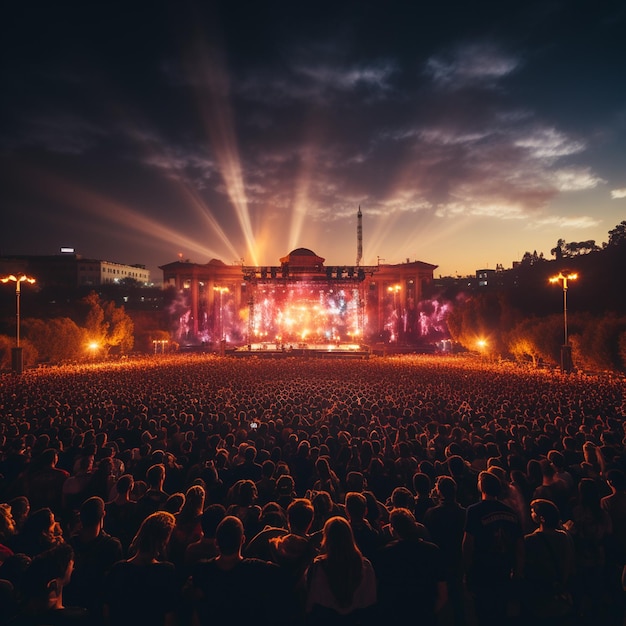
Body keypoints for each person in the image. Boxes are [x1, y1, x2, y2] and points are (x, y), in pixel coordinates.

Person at [189, 515, 288, 626]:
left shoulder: (201, 570)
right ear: (243, 540)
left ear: (216, 542)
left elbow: (195, 610)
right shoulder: (257, 569)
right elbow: (284, 575)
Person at [462, 471, 523, 626]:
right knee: (502, 611)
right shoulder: (511, 512)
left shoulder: (474, 511)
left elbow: (468, 544)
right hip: (504, 569)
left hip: (481, 570)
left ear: (481, 487)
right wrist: (518, 573)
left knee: (483, 613)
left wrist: (467, 571)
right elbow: (519, 546)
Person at [103, 511, 179, 626]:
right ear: (163, 541)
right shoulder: (165, 572)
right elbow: (169, 616)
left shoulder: (118, 569)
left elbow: (106, 612)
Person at [374, 507, 446, 626]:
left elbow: (377, 589)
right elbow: (442, 591)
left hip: (395, 616)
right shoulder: (432, 551)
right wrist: (431, 612)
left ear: (393, 529)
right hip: (425, 613)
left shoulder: (385, 554)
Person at [305, 516, 377, 625]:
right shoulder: (365, 565)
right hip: (356, 619)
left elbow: (311, 601)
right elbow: (370, 600)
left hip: (325, 619)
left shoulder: (318, 566)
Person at [65, 497, 122, 625]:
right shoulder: (111, 546)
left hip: (71, 610)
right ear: (103, 515)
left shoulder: (70, 545)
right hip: (98, 613)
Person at [523, 499, 575, 625]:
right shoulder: (564, 536)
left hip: (540, 594)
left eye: (533, 511)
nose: (531, 514)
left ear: (542, 518)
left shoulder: (530, 540)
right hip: (561, 592)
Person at [10, 543, 89, 625]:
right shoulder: (77, 620)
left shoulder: (15, 620)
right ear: (53, 585)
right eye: (71, 568)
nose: (73, 569)